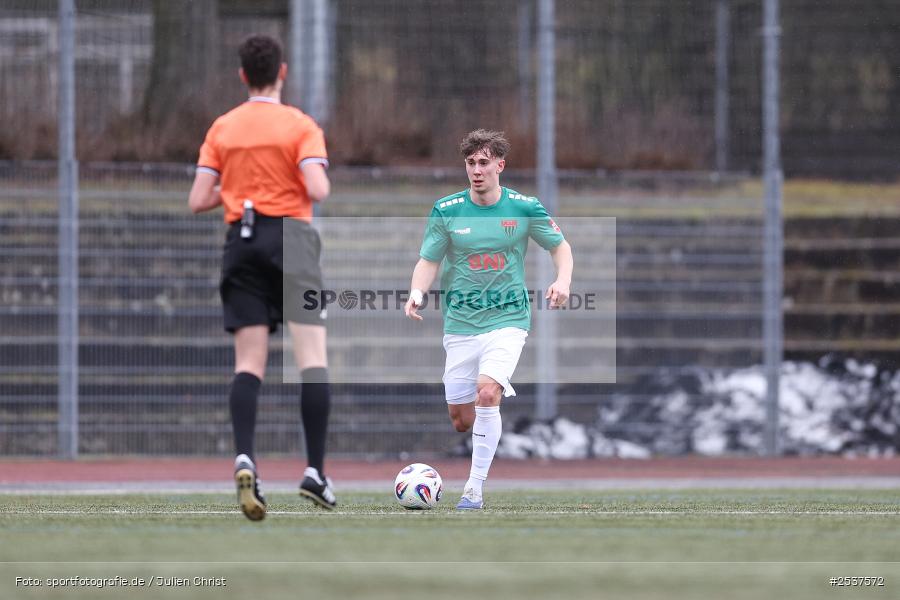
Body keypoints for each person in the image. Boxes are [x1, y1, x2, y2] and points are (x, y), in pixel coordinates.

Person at [188, 35, 336, 520]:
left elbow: (198, 199)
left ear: (242, 76)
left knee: (249, 364)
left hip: (242, 239)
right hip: (293, 239)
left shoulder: (223, 128)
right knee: (312, 361)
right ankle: (315, 472)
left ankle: (246, 457)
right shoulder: (299, 125)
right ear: (282, 73)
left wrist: (239, 185)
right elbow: (318, 187)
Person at [404, 129, 574, 509]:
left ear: (500, 165)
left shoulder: (524, 207)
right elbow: (428, 260)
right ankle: (476, 439)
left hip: (509, 319)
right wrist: (417, 292)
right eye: (470, 163)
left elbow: (560, 246)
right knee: (461, 419)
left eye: (484, 163)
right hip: (461, 324)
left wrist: (562, 280)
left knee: (487, 392)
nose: (477, 170)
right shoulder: (447, 210)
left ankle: (473, 490)